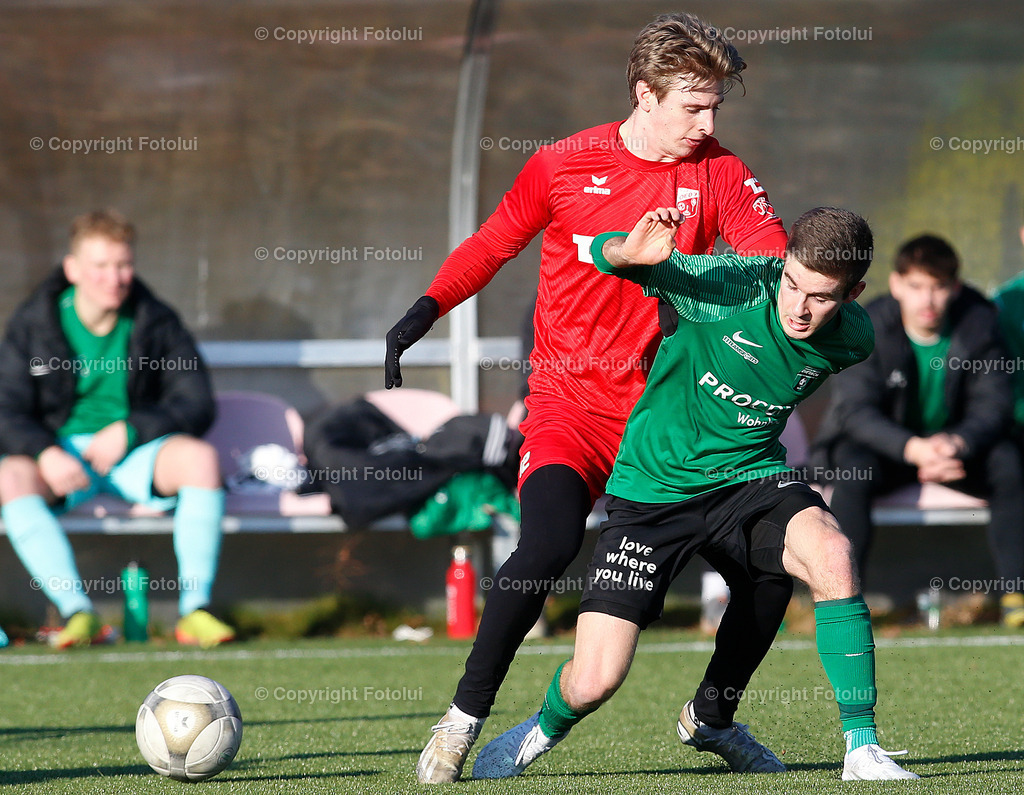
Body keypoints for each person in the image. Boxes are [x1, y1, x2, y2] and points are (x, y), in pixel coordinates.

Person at [386, 13, 792, 783]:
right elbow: (493, 243)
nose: (708, 125)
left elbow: (770, 267)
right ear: (644, 94)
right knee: (543, 546)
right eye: (693, 108)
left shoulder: (722, 172)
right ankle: (462, 719)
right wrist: (425, 308)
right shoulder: (565, 164)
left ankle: (712, 716)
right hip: (568, 405)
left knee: (769, 572)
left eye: (716, 109)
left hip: (670, 423)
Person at [471, 205, 918, 782]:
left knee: (831, 554)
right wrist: (625, 251)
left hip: (750, 477)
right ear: (780, 264)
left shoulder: (853, 338)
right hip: (656, 487)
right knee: (595, 680)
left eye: (822, 297)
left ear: (854, 293)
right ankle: (539, 730)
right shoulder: (731, 286)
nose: (799, 309)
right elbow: (604, 253)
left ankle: (860, 747)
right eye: (792, 285)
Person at [0, 209, 235, 649]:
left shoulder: (156, 319)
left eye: (124, 264)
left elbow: (196, 401)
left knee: (201, 460)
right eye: (101, 266)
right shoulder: (32, 324)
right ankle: (77, 613)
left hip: (135, 453)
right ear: (73, 270)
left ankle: (195, 612)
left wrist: (130, 430)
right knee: (9, 476)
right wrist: (45, 451)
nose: (115, 277)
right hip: (62, 458)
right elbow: (5, 410)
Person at [816, 234, 1024, 624]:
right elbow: (855, 412)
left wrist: (958, 442)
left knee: (1009, 463)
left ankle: (1017, 596)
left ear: (955, 288)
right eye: (916, 286)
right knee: (852, 470)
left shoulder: (980, 324)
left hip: (955, 455)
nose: (927, 300)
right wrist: (912, 448)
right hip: (889, 452)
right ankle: (839, 602)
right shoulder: (866, 326)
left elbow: (994, 405)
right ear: (896, 284)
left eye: (939, 287)